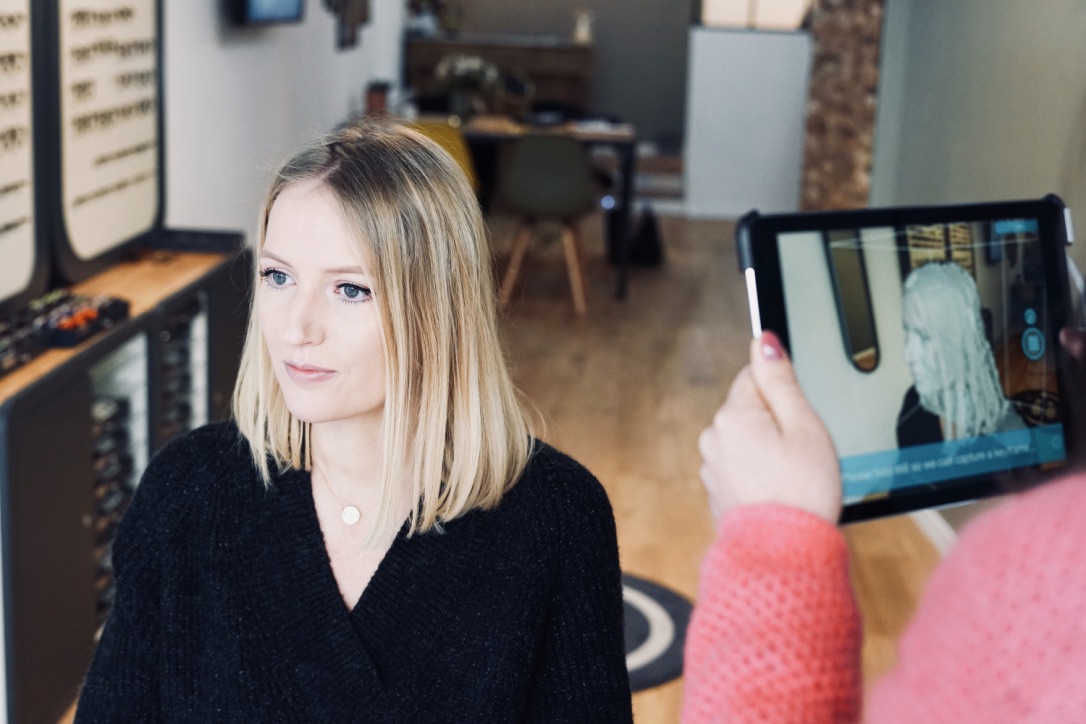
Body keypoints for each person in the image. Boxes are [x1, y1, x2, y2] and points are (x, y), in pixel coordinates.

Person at [75, 118, 632, 721]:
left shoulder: (557, 517)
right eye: (278, 276)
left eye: (350, 290)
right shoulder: (186, 490)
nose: (296, 328)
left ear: (437, 309)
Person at [682, 330, 1086, 722]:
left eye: (923, 336)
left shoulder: (1031, 570)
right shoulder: (915, 408)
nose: (911, 353)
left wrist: (773, 549)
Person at [897, 261, 1025, 448]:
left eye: (924, 337)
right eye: (908, 332)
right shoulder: (912, 407)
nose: (908, 356)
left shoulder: (1006, 434)